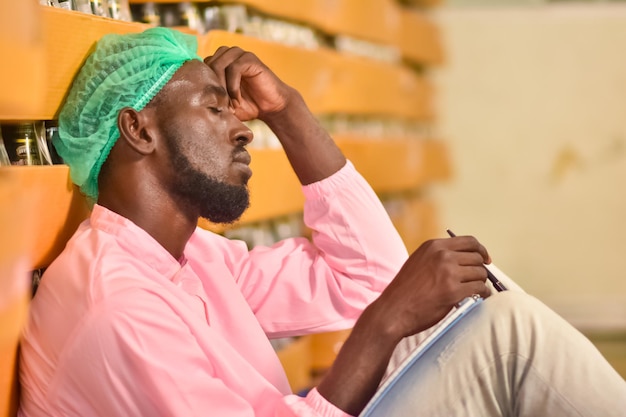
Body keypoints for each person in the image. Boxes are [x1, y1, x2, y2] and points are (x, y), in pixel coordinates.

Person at [18, 27, 625, 417]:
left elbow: (369, 278)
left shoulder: (188, 258)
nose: (241, 126)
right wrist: (385, 324)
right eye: (212, 106)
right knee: (505, 336)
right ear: (138, 129)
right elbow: (380, 304)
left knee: (471, 310)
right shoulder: (118, 307)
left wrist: (290, 111)